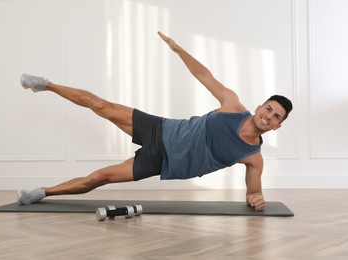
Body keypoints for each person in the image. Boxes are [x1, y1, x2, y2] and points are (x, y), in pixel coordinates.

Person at [18, 32, 292, 211]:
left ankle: (42, 192)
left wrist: (255, 199)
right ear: (259, 107)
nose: (268, 116)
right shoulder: (233, 106)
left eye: (275, 116)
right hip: (163, 128)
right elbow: (205, 76)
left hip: (162, 161)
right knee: (100, 105)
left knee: (99, 177)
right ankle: (46, 85)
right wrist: (179, 50)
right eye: (268, 109)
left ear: (277, 126)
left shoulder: (253, 157)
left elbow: (253, 191)